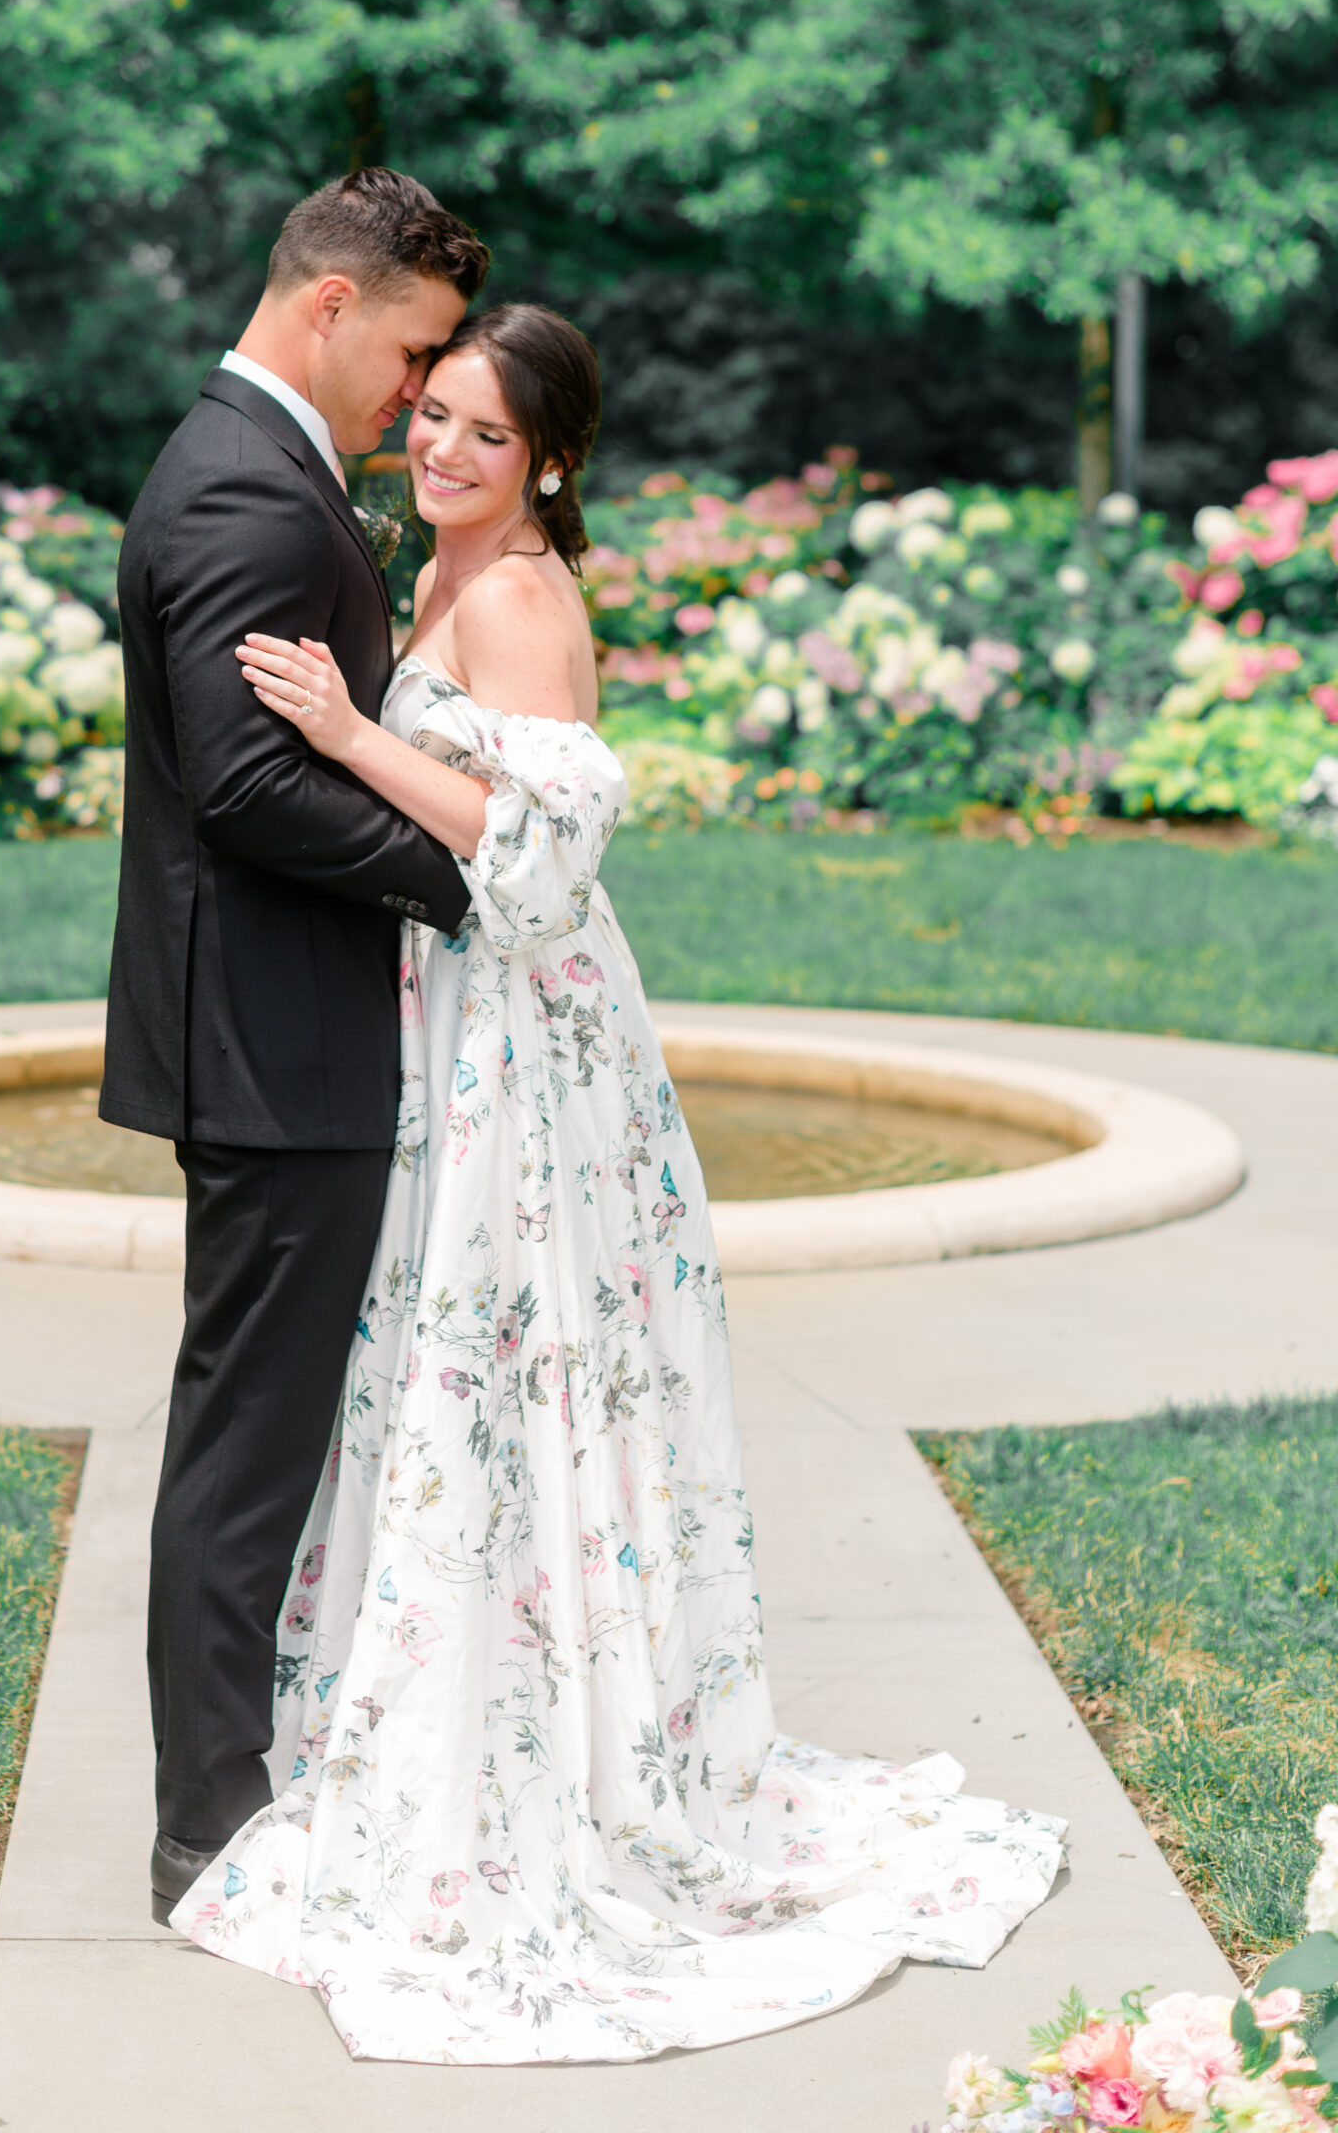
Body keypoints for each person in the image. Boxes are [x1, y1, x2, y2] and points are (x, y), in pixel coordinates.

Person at [168, 302, 1066, 2064]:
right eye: (432, 419)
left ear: (549, 463)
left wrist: (353, 738)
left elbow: (554, 855)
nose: (439, 453)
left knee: (520, 1380)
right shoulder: (435, 570)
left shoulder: (510, 596)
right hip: (444, 1019)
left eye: (485, 439)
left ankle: (557, 1766)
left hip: (529, 1046)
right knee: (448, 1380)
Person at [100, 166, 493, 1926]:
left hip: (273, 1029)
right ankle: (209, 1825)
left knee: (255, 1431)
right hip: (274, 1043)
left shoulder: (250, 465)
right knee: (247, 1443)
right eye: (410, 354)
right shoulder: (250, 493)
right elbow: (252, 786)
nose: (416, 395)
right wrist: (461, 869)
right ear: (332, 306)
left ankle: (240, 1782)